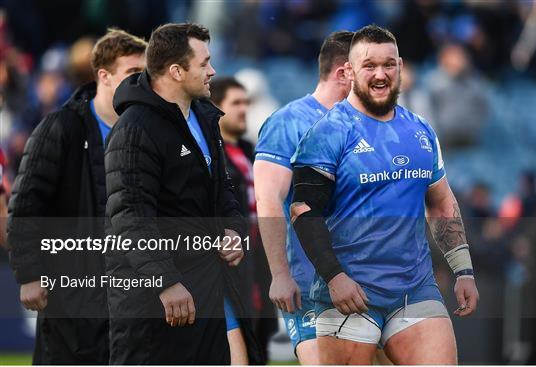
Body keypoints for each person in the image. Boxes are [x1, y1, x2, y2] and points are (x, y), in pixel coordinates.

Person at [290, 25, 480, 365]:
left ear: (401, 67)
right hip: (349, 294)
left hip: (415, 288)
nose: (381, 74)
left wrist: (463, 270)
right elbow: (304, 212)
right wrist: (335, 277)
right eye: (369, 66)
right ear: (349, 71)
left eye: (388, 65)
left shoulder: (421, 129)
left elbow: (441, 203)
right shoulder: (327, 133)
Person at [104, 23, 245, 365]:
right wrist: (165, 281)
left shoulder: (204, 118)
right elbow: (131, 215)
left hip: (203, 289)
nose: (212, 71)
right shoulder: (135, 128)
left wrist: (232, 229)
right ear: (176, 71)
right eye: (204, 63)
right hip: (152, 302)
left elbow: (222, 188)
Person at [7, 29, 146, 364]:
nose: (141, 82)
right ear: (104, 76)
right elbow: (26, 203)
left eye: (145, 75)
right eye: (132, 73)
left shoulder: (147, 134)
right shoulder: (61, 128)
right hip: (72, 289)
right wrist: (29, 274)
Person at [253, 31, 354, 364]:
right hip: (312, 284)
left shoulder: (368, 126)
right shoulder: (288, 123)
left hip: (370, 280)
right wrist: (280, 274)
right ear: (343, 72)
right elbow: (267, 200)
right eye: (367, 67)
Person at [209, 76, 266, 365]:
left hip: (258, 261)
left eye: (247, 102)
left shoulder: (249, 150)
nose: (244, 109)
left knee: (259, 342)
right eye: (236, 103)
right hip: (232, 263)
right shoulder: (211, 154)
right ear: (217, 108)